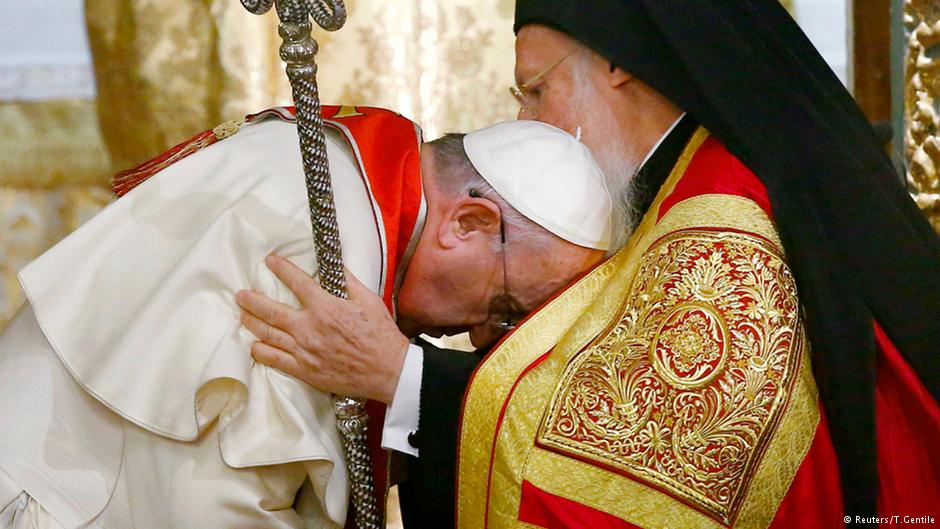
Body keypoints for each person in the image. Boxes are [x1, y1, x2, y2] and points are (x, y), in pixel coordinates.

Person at [238, 2, 940, 528]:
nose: (533, 125)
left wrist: (401, 374)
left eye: (536, 91)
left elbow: (639, 474)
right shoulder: (672, 190)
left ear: (616, 63)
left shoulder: (721, 216)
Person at [0, 105, 613, 529]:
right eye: (502, 308)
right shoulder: (329, 254)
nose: (481, 338)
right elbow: (216, 494)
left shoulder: (345, 173)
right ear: (468, 224)